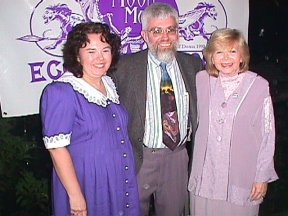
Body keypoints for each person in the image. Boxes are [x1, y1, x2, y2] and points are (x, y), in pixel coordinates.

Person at [111, 3, 203, 216]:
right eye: (157, 31)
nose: (165, 37)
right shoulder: (123, 67)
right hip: (137, 157)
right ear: (145, 35)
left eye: (171, 30)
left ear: (178, 32)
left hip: (177, 157)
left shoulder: (193, 66)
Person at [40, 22, 140, 216]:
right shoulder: (61, 91)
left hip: (118, 180)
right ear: (77, 55)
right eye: (91, 51)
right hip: (87, 184)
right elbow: (56, 148)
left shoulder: (109, 85)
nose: (100, 58)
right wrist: (76, 196)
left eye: (105, 50)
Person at [188, 28, 278, 216]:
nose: (226, 58)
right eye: (219, 52)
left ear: (242, 56)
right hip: (205, 177)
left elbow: (267, 135)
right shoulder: (201, 81)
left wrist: (262, 176)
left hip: (242, 178)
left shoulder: (259, 86)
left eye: (232, 51)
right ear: (211, 57)